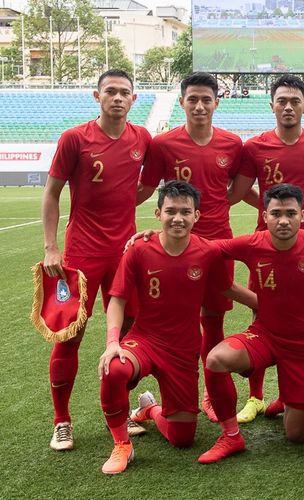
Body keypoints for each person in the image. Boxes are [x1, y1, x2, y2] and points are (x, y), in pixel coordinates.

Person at [97, 181, 244, 474]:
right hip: (145, 340)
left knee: (182, 439)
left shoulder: (207, 252)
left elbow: (226, 288)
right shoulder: (139, 249)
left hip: (183, 350)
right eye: (170, 211)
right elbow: (118, 299)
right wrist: (113, 341)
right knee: (115, 368)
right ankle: (122, 444)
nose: (178, 218)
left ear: (196, 216)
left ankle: (149, 408)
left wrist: (263, 304)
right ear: (157, 213)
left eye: (185, 212)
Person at [197, 184, 304, 464]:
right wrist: (155, 237)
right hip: (264, 335)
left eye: (290, 213)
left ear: (302, 215)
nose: (283, 220)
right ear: (265, 215)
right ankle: (231, 436)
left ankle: (289, 397)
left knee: (296, 436)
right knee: (216, 359)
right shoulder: (251, 244)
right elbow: (205, 249)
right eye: (276, 213)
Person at [41, 69, 152, 450]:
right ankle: (62, 420)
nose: (118, 98)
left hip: (125, 254)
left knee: (130, 335)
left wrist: (126, 210)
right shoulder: (76, 138)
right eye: (111, 92)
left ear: (134, 99)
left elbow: (148, 184)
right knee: (69, 337)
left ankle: (119, 412)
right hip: (81, 255)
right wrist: (50, 247)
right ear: (97, 96)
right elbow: (52, 193)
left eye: (124, 93)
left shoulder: (142, 138)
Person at [138, 72, 252, 422]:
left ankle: (210, 394)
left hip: (218, 245)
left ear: (217, 102)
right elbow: (145, 190)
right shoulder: (163, 144)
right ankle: (165, 395)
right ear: (182, 101)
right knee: (176, 320)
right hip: (175, 248)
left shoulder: (234, 144)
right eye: (193, 99)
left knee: (213, 320)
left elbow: (235, 191)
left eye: (206, 99)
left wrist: (212, 212)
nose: (200, 106)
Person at [235, 74, 304, 423]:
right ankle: (256, 397)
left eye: (295, 101)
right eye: (282, 100)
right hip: (266, 247)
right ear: (271, 104)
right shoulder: (254, 146)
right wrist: (268, 213)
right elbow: (238, 191)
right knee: (260, 316)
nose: (288, 106)